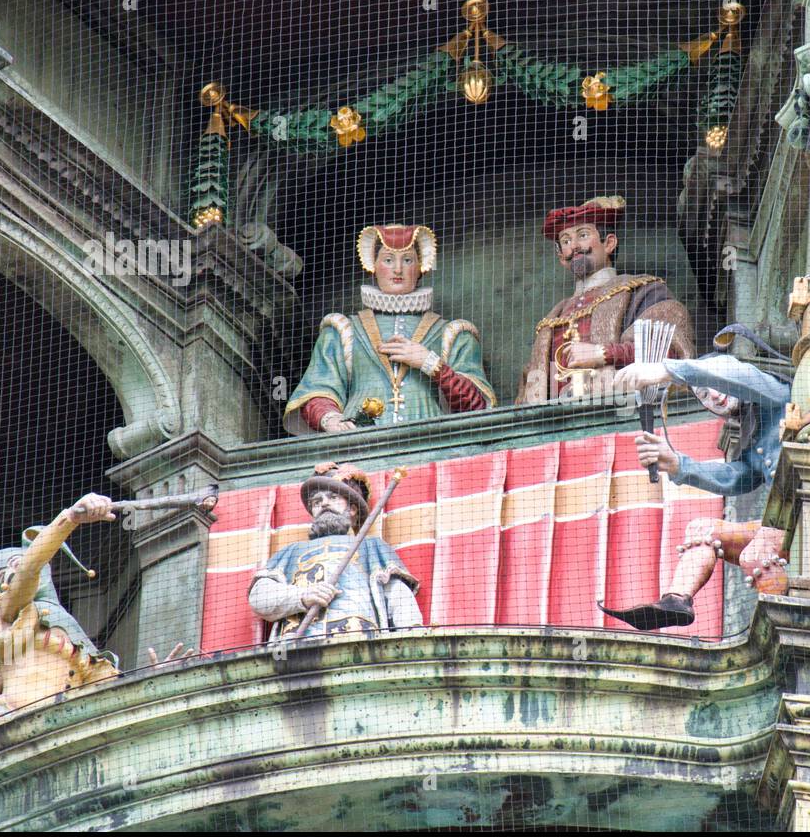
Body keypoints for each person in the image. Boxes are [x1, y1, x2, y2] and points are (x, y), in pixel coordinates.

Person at [599, 329, 790, 630]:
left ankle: (787, 629)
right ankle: (677, 601)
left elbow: (736, 373)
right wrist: (678, 465)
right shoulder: (751, 436)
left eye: (712, 386)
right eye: (702, 395)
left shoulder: (772, 394)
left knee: (757, 552)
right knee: (701, 529)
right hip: (783, 529)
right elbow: (739, 477)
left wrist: (667, 370)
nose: (713, 395)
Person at [0, 493, 190, 721]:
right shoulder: (10, 611)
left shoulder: (74, 638)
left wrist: (153, 684)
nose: (11, 577)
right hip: (17, 723)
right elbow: (29, 570)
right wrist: (70, 518)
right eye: (3, 576)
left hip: (61, 731)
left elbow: (109, 701)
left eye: (15, 565)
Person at [284, 224, 496, 432]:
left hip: (430, 442)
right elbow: (317, 391)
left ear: (420, 266)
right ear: (373, 265)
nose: (397, 269)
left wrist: (431, 364)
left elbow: (476, 407)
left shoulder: (453, 334)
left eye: (407, 260)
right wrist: (331, 420)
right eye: (388, 259)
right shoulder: (342, 330)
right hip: (359, 444)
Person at [517, 195, 693, 404]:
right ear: (561, 257)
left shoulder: (642, 291)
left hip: (622, 412)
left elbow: (669, 351)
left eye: (582, 235)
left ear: (609, 243)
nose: (574, 247)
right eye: (565, 240)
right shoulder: (553, 317)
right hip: (555, 423)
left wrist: (604, 354)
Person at [248, 462, 422, 638]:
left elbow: (397, 593)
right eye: (317, 501)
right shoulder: (291, 551)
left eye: (333, 497)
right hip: (299, 644)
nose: (324, 504)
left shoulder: (371, 546)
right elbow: (259, 596)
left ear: (353, 509)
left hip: (358, 638)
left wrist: (412, 632)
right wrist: (302, 596)